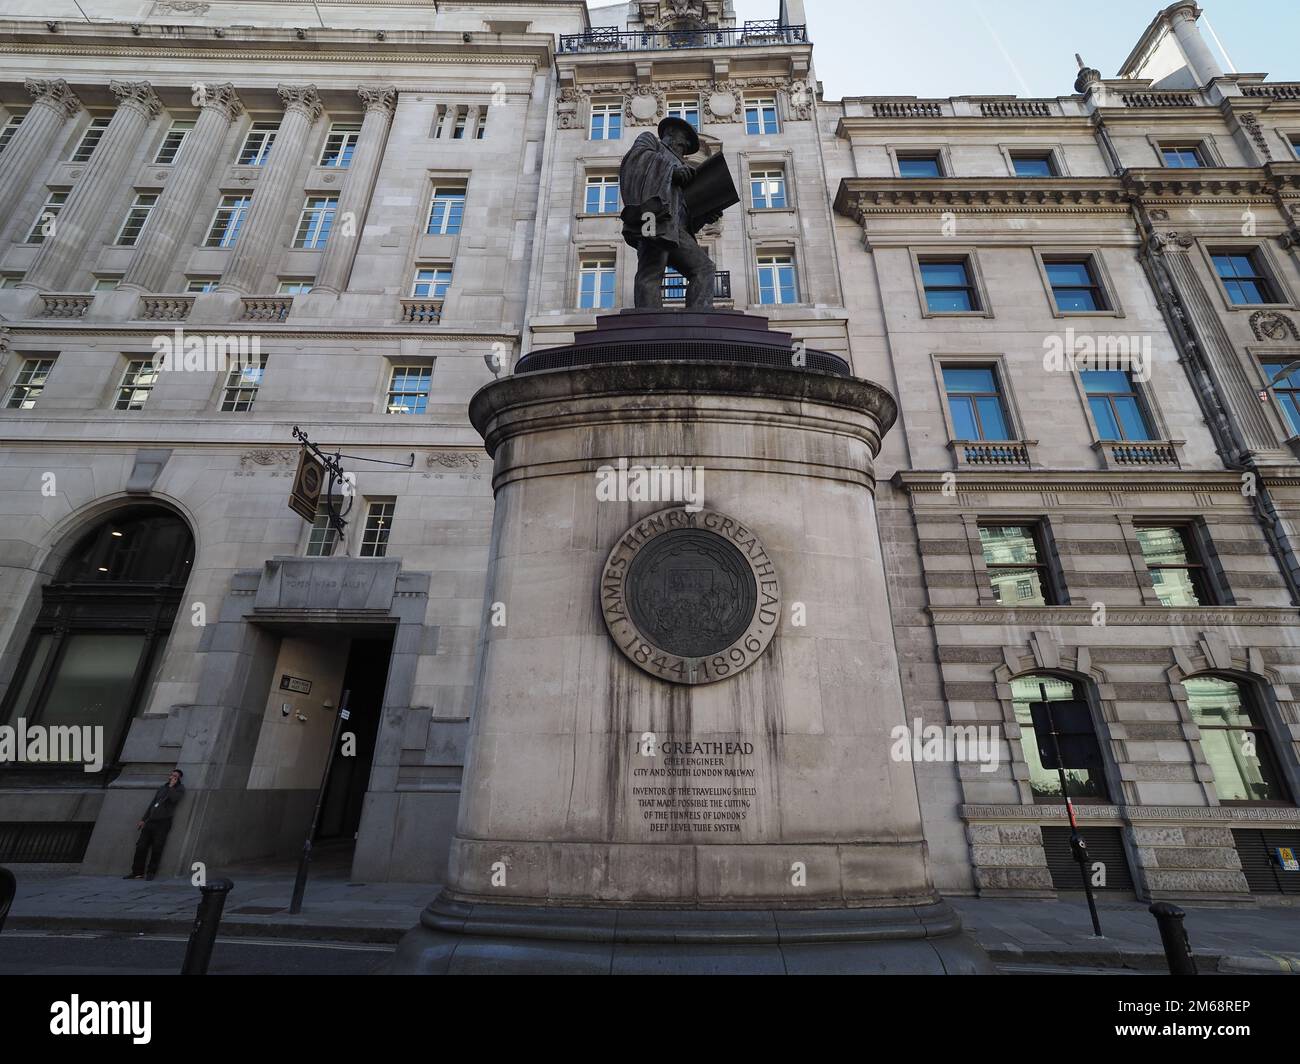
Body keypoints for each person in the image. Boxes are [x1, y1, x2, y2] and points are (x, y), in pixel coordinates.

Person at [619, 116, 722, 310]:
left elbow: (684, 207)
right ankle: (648, 324)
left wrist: (705, 212)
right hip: (654, 218)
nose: (683, 149)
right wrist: (670, 171)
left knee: (704, 268)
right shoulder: (651, 142)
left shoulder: (683, 168)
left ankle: (698, 321)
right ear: (670, 135)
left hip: (677, 228)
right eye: (682, 143)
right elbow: (636, 159)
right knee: (651, 271)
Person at [124, 768, 185, 881]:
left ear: (179, 778)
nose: (172, 777)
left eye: (175, 776)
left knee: (157, 847)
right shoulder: (162, 788)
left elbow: (174, 799)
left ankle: (151, 872)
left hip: (163, 822)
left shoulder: (180, 789)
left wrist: (172, 787)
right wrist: (143, 819)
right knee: (141, 846)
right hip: (150, 821)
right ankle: (137, 872)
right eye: (171, 775)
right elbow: (152, 803)